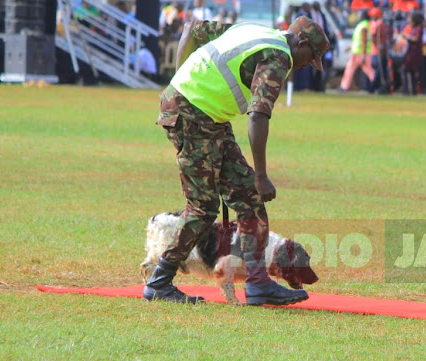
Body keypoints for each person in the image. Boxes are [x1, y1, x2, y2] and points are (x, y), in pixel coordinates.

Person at [143, 17, 329, 305]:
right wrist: (262, 174)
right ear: (301, 43)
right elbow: (258, 116)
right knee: (203, 207)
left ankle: (258, 284)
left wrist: (180, 79)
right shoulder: (279, 57)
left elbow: (192, 28)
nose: (307, 64)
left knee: (248, 196)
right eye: (310, 57)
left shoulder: (252, 28)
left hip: (206, 116)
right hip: (192, 116)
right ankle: (159, 281)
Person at [340, 10, 376, 91]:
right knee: (369, 70)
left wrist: (362, 54)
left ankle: (344, 87)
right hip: (361, 51)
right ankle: (376, 84)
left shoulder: (363, 25)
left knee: (350, 68)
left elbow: (363, 40)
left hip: (359, 52)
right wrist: (349, 48)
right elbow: (357, 40)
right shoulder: (365, 25)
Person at [400, 11, 424, 95]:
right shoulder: (413, 28)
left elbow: (416, 39)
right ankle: (412, 91)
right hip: (411, 52)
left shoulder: (419, 28)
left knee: (406, 70)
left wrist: (407, 36)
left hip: (414, 54)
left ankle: (408, 90)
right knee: (411, 72)